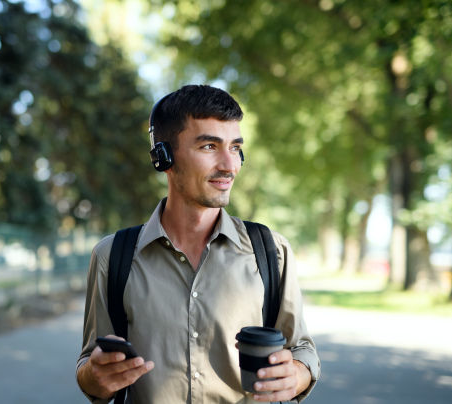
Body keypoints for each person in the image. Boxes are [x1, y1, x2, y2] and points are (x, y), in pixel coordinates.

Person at [76, 85, 320, 403]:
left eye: (235, 148)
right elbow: (89, 370)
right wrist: (96, 376)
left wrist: (298, 374)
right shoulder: (112, 256)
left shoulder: (272, 251)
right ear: (163, 157)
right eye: (209, 146)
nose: (229, 165)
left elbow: (301, 348)